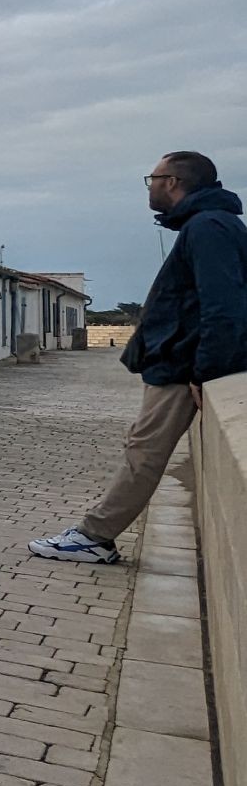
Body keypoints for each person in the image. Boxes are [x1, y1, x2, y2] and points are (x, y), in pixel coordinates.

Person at [31, 152, 247, 564]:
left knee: (144, 451)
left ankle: (95, 537)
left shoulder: (208, 227)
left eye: (153, 178)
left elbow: (223, 306)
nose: (150, 186)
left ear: (173, 182)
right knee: (141, 446)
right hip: (182, 364)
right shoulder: (211, 223)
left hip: (183, 367)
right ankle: (94, 535)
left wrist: (205, 371)